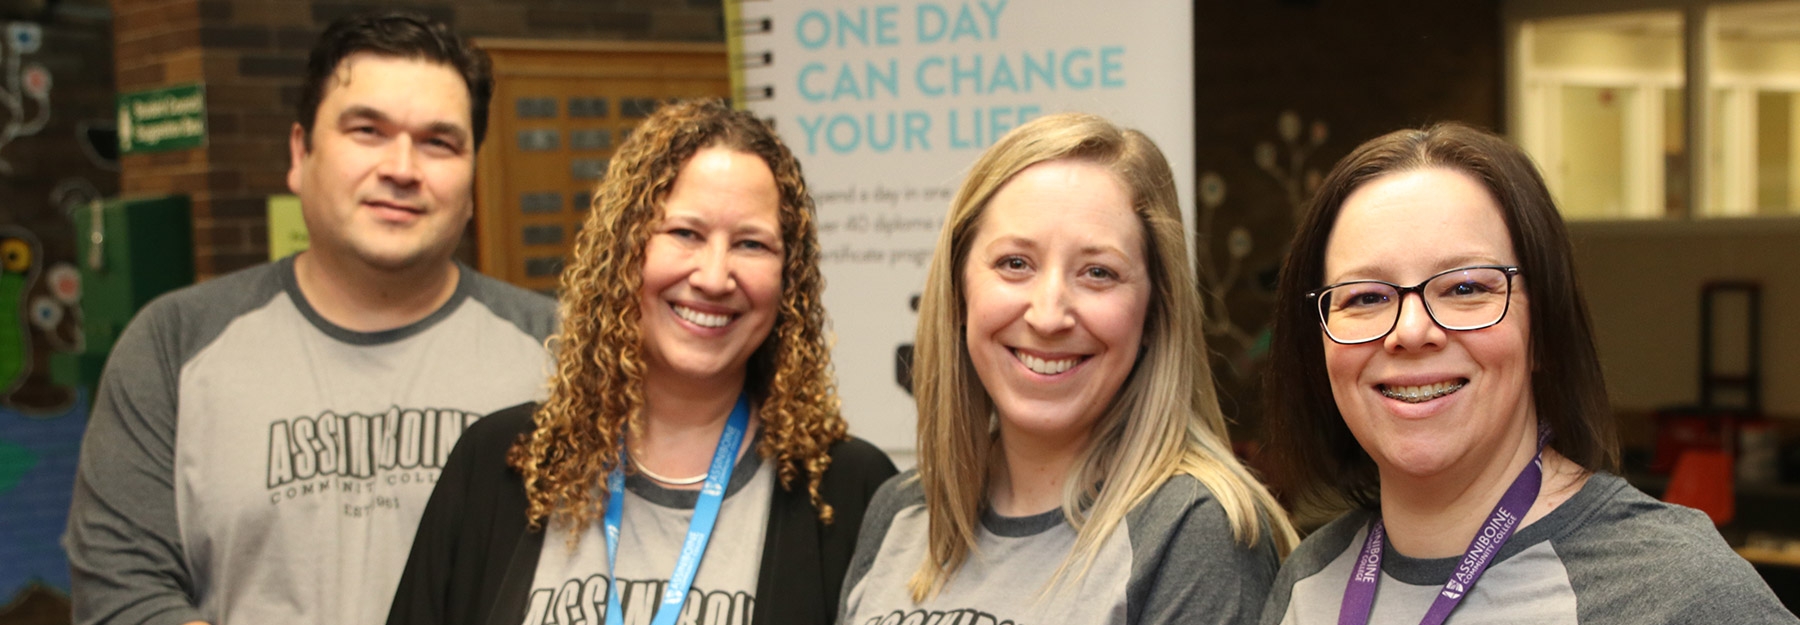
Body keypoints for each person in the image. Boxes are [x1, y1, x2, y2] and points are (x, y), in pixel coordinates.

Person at [63, 12, 557, 625]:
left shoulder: (560, 350)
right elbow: (121, 591)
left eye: (439, 142)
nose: (402, 168)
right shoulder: (173, 344)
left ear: (472, 177)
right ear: (300, 153)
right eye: (367, 131)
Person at [1259, 123, 1798, 624]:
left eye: (1466, 287)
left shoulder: (1676, 592)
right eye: (1367, 297)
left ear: (1544, 328)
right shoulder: (1308, 583)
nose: (1411, 331)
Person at [386, 98, 898, 625]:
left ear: (789, 279)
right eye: (684, 234)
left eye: (751, 244)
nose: (715, 276)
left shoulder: (845, 491)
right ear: (624, 248)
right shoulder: (501, 464)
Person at [838, 113, 1298, 625]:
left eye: (1098, 272)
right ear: (958, 289)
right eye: (1015, 263)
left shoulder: (1193, 531)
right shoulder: (900, 510)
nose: (1049, 315)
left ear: (1154, 312)